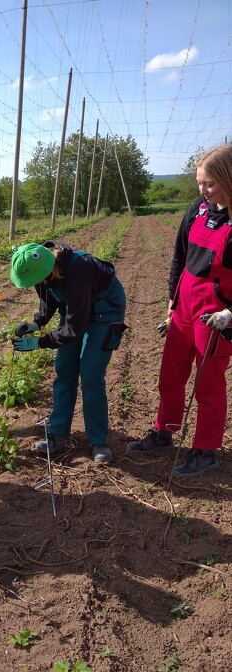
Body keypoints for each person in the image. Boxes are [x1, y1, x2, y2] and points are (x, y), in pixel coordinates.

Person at [127, 145, 232, 477]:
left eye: (210, 184)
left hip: (215, 312)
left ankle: (205, 450)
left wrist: (230, 315)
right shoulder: (198, 209)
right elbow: (179, 256)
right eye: (200, 183)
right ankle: (164, 431)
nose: (203, 191)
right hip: (185, 302)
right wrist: (172, 301)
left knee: (208, 382)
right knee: (171, 373)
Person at [10, 241, 127, 463]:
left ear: (49, 270)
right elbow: (49, 296)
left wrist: (40, 343)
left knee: (91, 373)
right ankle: (57, 435)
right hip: (76, 309)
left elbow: (74, 328)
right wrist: (38, 322)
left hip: (105, 310)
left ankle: (98, 440)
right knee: (64, 370)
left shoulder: (78, 271)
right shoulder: (41, 268)